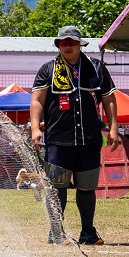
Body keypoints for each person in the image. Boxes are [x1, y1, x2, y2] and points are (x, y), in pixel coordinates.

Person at [30, 25, 120, 245]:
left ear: (80, 44)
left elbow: (108, 99)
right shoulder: (47, 69)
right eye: (63, 42)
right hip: (58, 141)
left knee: (87, 187)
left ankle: (88, 231)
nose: (67, 46)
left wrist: (114, 128)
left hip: (89, 140)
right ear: (58, 45)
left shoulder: (96, 68)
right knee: (57, 187)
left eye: (71, 42)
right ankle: (56, 232)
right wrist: (34, 128)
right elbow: (37, 101)